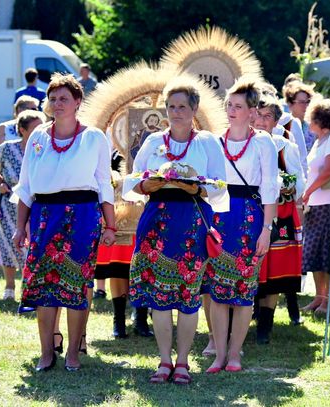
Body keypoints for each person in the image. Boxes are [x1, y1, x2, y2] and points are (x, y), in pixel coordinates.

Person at [123, 77, 228, 384]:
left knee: (187, 295)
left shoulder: (207, 142)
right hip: (156, 222)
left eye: (182, 106)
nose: (176, 112)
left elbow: (220, 188)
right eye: (171, 106)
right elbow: (132, 183)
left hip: (192, 223)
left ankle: (183, 362)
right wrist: (146, 184)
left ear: (194, 109)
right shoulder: (154, 141)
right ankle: (164, 360)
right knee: (158, 296)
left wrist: (195, 187)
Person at [12, 73, 116, 372]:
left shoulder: (94, 137)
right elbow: (26, 186)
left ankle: (73, 352)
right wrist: (21, 227)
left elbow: (103, 183)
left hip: (83, 216)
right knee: (44, 285)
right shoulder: (38, 137)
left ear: (78, 102)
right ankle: (46, 353)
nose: (57, 104)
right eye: (53, 98)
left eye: (64, 99)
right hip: (45, 216)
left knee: (77, 284)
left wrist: (110, 225)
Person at [205, 78, 278, 373]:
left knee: (244, 289)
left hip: (250, 216)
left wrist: (267, 230)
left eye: (238, 106)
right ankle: (219, 354)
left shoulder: (263, 142)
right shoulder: (214, 141)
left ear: (251, 111)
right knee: (217, 289)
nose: (231, 111)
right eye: (229, 105)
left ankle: (235, 354)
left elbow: (270, 188)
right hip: (218, 216)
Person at [253, 95, 305, 343]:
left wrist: (288, 185)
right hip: (251, 213)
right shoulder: (244, 143)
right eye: (259, 115)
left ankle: (265, 325)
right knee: (251, 265)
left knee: (274, 270)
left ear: (275, 121)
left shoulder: (286, 146)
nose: (262, 121)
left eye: (268, 117)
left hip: (280, 214)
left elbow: (299, 181)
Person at [0, 110, 46, 300]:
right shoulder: (7, 148)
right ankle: (9, 286)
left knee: (34, 245)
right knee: (7, 243)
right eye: (36, 127)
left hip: (37, 203)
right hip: (9, 203)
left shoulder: (43, 149)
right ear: (22, 129)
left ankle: (29, 287)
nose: (40, 131)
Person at [95, 149, 153, 339]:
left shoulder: (155, 145)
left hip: (147, 215)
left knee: (144, 269)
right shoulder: (112, 151)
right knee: (118, 269)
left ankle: (141, 318)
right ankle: (118, 320)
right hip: (120, 217)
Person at [301, 98, 330, 319]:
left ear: (320, 119)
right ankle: (320, 297)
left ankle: (328, 300)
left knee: (328, 252)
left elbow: (329, 171)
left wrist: (308, 192)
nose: (308, 120)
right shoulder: (320, 140)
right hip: (315, 206)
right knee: (314, 252)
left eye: (312, 117)